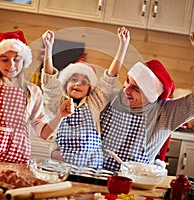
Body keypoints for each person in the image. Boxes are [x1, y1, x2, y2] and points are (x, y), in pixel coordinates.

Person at [52, 29, 194, 172]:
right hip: (92, 175)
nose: (126, 89)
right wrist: (58, 150)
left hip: (133, 187)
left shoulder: (164, 114)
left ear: (150, 96)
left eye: (135, 89)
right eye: (128, 80)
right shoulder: (109, 98)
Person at [0, 0, 73, 163]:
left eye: (16, 59)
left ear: (24, 61)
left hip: (15, 157)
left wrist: (60, 116)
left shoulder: (33, 92)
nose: (11, 65)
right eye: (4, 59)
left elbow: (43, 133)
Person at [41, 27, 130, 168]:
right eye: (73, 79)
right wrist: (48, 48)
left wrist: (123, 45)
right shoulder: (57, 102)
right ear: (65, 83)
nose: (78, 83)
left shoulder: (95, 102)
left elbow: (110, 78)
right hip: (61, 164)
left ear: (90, 88)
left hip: (90, 165)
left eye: (84, 82)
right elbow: (49, 83)